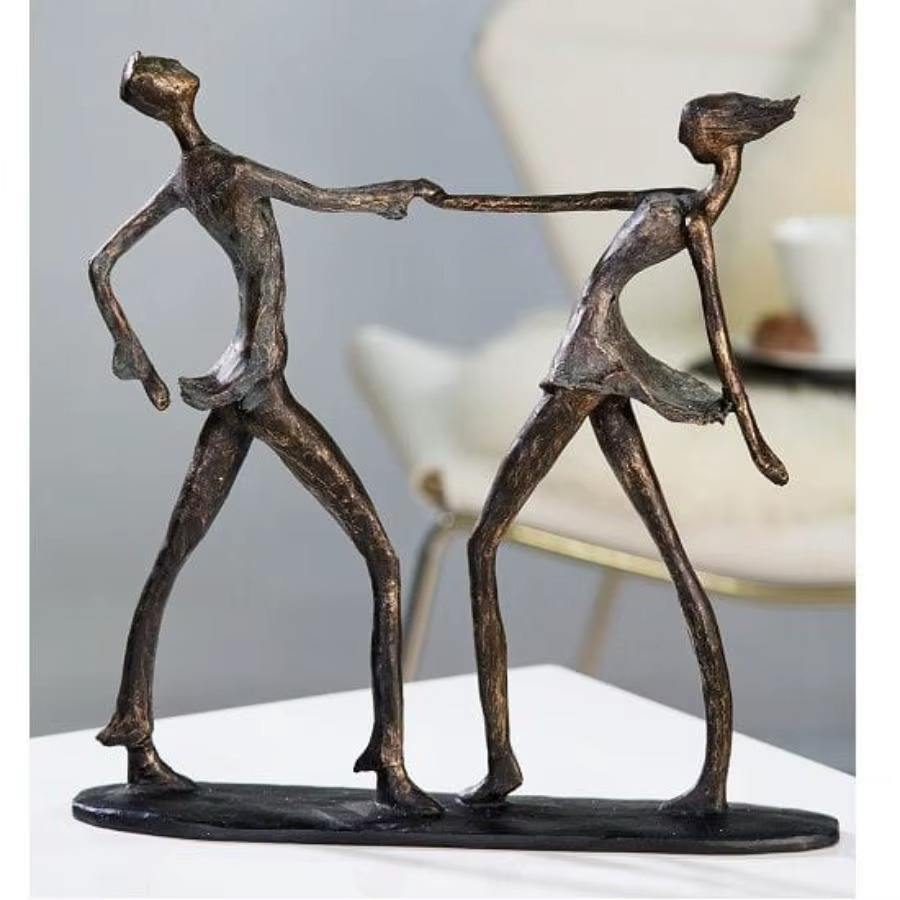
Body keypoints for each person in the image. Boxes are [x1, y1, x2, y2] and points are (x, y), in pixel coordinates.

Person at [89, 53, 442, 815]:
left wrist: (137, 357)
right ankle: (390, 759)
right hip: (259, 385)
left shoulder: (187, 179)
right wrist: (396, 194)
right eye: (163, 68)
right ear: (173, 93)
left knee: (172, 556)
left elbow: (100, 265)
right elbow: (327, 199)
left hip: (235, 378)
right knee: (383, 558)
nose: (173, 65)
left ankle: (135, 730)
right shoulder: (230, 169)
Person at [425, 93, 798, 810]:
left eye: (694, 127)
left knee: (482, 546)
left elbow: (718, 330)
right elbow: (557, 203)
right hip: (602, 359)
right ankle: (704, 781)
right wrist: (454, 201)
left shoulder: (694, 221)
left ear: (721, 141)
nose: (684, 134)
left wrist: (753, 436)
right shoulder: (669, 199)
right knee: (673, 559)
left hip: (587, 364)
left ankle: (507, 762)